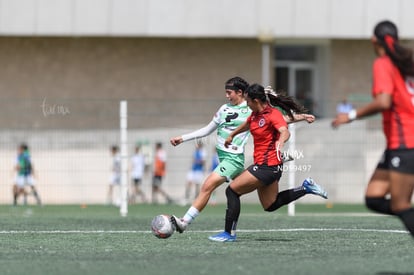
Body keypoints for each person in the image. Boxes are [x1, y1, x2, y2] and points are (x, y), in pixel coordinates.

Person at [170, 77, 316, 234]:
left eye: (229, 92)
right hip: (226, 158)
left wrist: (302, 117)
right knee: (269, 204)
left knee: (208, 186)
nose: (227, 96)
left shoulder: (251, 109)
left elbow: (280, 120)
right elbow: (207, 129)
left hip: (233, 159)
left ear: (240, 93)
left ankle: (185, 222)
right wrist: (183, 138)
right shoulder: (224, 108)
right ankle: (286, 168)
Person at [208, 84, 328, 242]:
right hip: (269, 166)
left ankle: (228, 233)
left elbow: (285, 130)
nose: (247, 104)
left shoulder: (273, 114)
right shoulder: (255, 114)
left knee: (232, 191)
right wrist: (232, 134)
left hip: (268, 166)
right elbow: (247, 124)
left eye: (248, 101)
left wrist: (281, 141)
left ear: (256, 100)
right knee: (270, 205)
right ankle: (305, 187)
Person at [332, 20, 414, 238]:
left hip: (406, 143)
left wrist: (350, 115)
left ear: (373, 40)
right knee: (374, 198)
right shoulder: (406, 64)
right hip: (399, 144)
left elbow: (384, 102)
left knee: (401, 205)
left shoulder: (384, 63)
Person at [183, 141, 207, 205]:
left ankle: (196, 199)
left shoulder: (203, 152)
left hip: (199, 170)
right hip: (193, 170)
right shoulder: (195, 151)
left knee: (197, 185)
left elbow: (203, 162)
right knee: (188, 183)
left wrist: (197, 161)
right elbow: (193, 160)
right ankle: (186, 198)